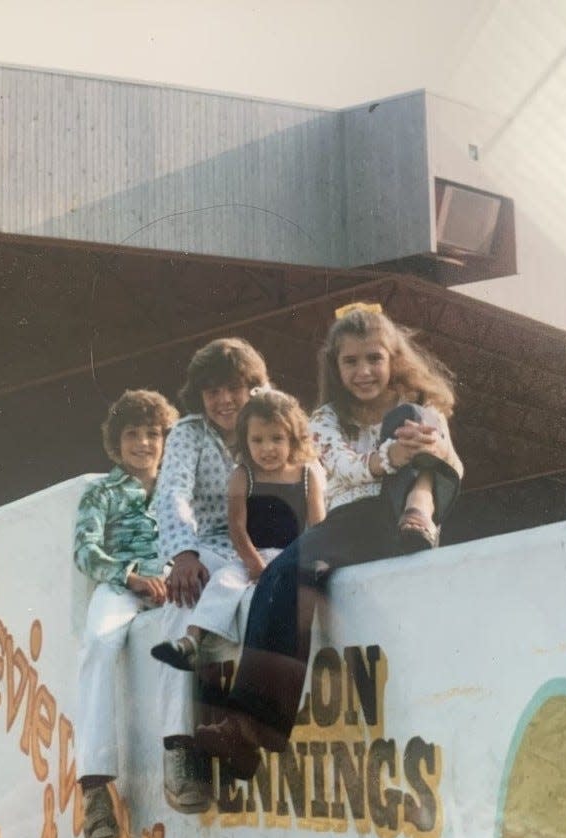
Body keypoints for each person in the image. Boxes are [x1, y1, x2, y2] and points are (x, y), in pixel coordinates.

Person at [195, 302, 464, 778]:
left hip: (404, 514)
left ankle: (418, 512)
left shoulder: (422, 407)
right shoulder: (323, 419)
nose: (363, 371)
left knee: (413, 423)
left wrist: (426, 447)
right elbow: (343, 469)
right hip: (353, 523)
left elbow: (452, 468)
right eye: (351, 361)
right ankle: (253, 728)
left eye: (374, 358)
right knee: (282, 574)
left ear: (393, 358)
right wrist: (392, 455)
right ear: (335, 367)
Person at [153, 337, 269, 811]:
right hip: (207, 546)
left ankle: (239, 734)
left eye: (235, 389)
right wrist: (182, 552)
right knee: (185, 601)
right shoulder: (188, 433)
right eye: (212, 391)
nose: (224, 401)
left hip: (262, 544)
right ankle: (179, 749)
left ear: (254, 387)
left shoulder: (271, 422)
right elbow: (173, 492)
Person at [151, 388, 325, 668]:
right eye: (257, 440)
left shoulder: (307, 476)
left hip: (292, 556)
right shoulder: (242, 476)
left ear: (293, 438)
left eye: (276, 439)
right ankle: (191, 641)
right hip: (251, 557)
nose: (267, 448)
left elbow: (317, 527)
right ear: (245, 441)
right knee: (223, 583)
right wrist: (255, 565)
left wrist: (306, 561)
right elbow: (237, 528)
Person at [73, 388, 178, 838]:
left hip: (176, 584)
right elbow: (86, 550)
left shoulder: (180, 486)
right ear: (117, 443)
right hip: (122, 586)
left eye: (152, 434)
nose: (143, 444)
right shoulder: (103, 492)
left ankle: (181, 759)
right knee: (99, 644)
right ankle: (95, 787)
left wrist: (177, 575)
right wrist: (131, 576)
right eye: (132, 435)